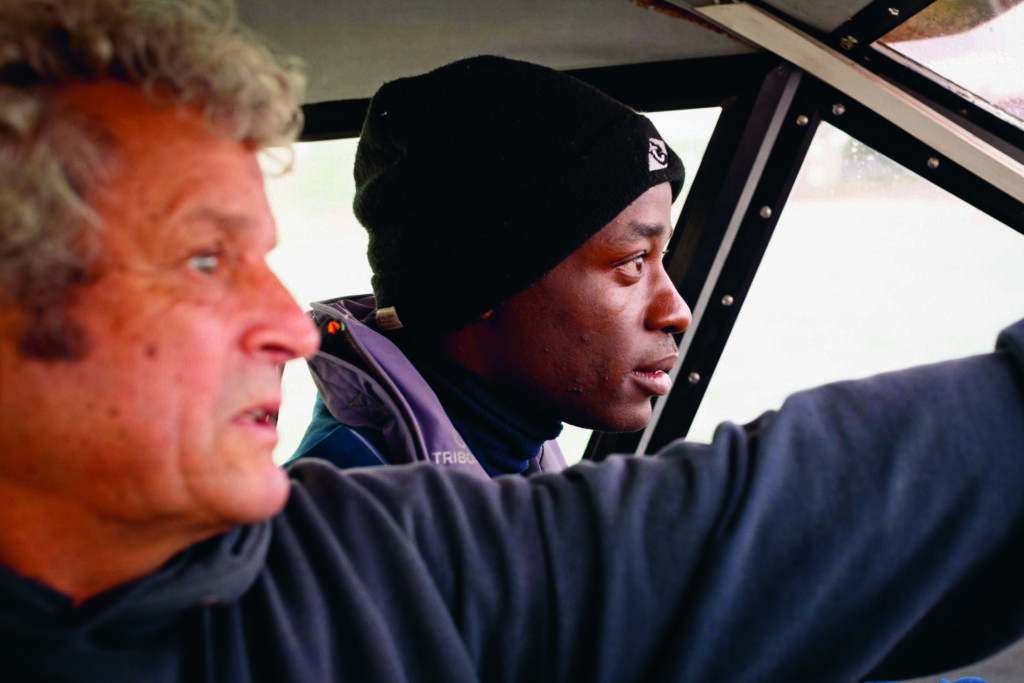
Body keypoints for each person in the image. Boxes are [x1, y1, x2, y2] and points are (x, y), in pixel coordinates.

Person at [4, 2, 1024, 682]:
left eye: (266, 260)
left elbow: (724, 536)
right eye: (203, 260)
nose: (287, 324)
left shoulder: (355, 556)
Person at [290, 55, 690, 477]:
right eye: (632, 263)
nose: (676, 311)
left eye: (660, 258)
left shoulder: (513, 459)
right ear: (480, 286)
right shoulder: (350, 523)